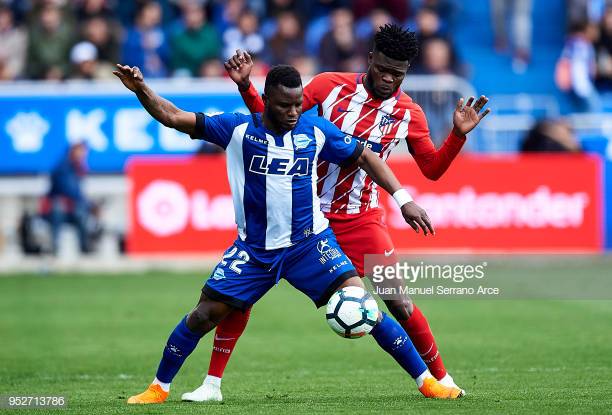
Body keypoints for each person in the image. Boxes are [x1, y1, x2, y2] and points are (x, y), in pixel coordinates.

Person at [113, 63, 464, 404]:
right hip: (255, 251)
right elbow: (174, 117)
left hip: (309, 245)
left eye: (298, 104)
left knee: (366, 307)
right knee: (204, 315)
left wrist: (403, 200)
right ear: (267, 100)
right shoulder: (237, 129)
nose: (294, 112)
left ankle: (427, 383)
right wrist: (143, 89)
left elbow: (366, 157)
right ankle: (159, 387)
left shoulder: (314, 130)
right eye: (285, 105)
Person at [187, 24, 490, 402]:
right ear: (370, 59)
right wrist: (248, 87)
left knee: (398, 301)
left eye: (397, 73)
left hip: (361, 218)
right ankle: (211, 383)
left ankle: (440, 379)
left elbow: (431, 168)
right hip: (304, 217)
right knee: (239, 297)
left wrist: (457, 135)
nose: (388, 78)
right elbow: (273, 121)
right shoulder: (329, 86)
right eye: (382, 68)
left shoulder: (409, 112)